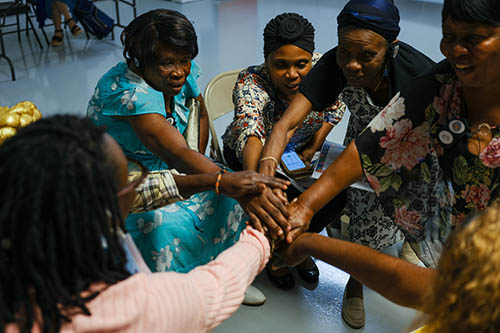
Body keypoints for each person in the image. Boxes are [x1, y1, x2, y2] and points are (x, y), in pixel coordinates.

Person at [265, 0, 500, 327]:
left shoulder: (413, 72)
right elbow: (372, 144)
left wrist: (312, 244)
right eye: (448, 36)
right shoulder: (443, 82)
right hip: (458, 243)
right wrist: (304, 205)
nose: (456, 50)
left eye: (474, 39)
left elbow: (439, 289)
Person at [87, 9, 289, 303]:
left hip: (177, 163)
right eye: (167, 62)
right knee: (160, 224)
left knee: (225, 199)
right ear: (141, 62)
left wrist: (205, 165)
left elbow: (199, 112)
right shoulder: (130, 94)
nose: (179, 70)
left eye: (184, 60)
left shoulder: (180, 73)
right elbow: (176, 152)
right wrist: (221, 179)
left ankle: (226, 277)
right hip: (129, 181)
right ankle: (174, 298)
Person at [0, 115, 271, 332]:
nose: (136, 185)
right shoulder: (124, 310)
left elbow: (150, 188)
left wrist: (218, 181)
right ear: (103, 208)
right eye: (128, 181)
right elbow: (212, 288)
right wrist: (260, 237)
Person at [222, 12, 346, 291]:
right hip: (251, 155)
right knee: (279, 201)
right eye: (280, 65)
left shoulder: (324, 70)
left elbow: (334, 110)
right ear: (266, 60)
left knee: (335, 197)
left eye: (301, 64)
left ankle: (298, 247)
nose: (292, 75)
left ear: (311, 58)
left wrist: (314, 146)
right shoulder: (251, 82)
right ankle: (277, 256)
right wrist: (259, 181)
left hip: (300, 152)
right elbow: (250, 131)